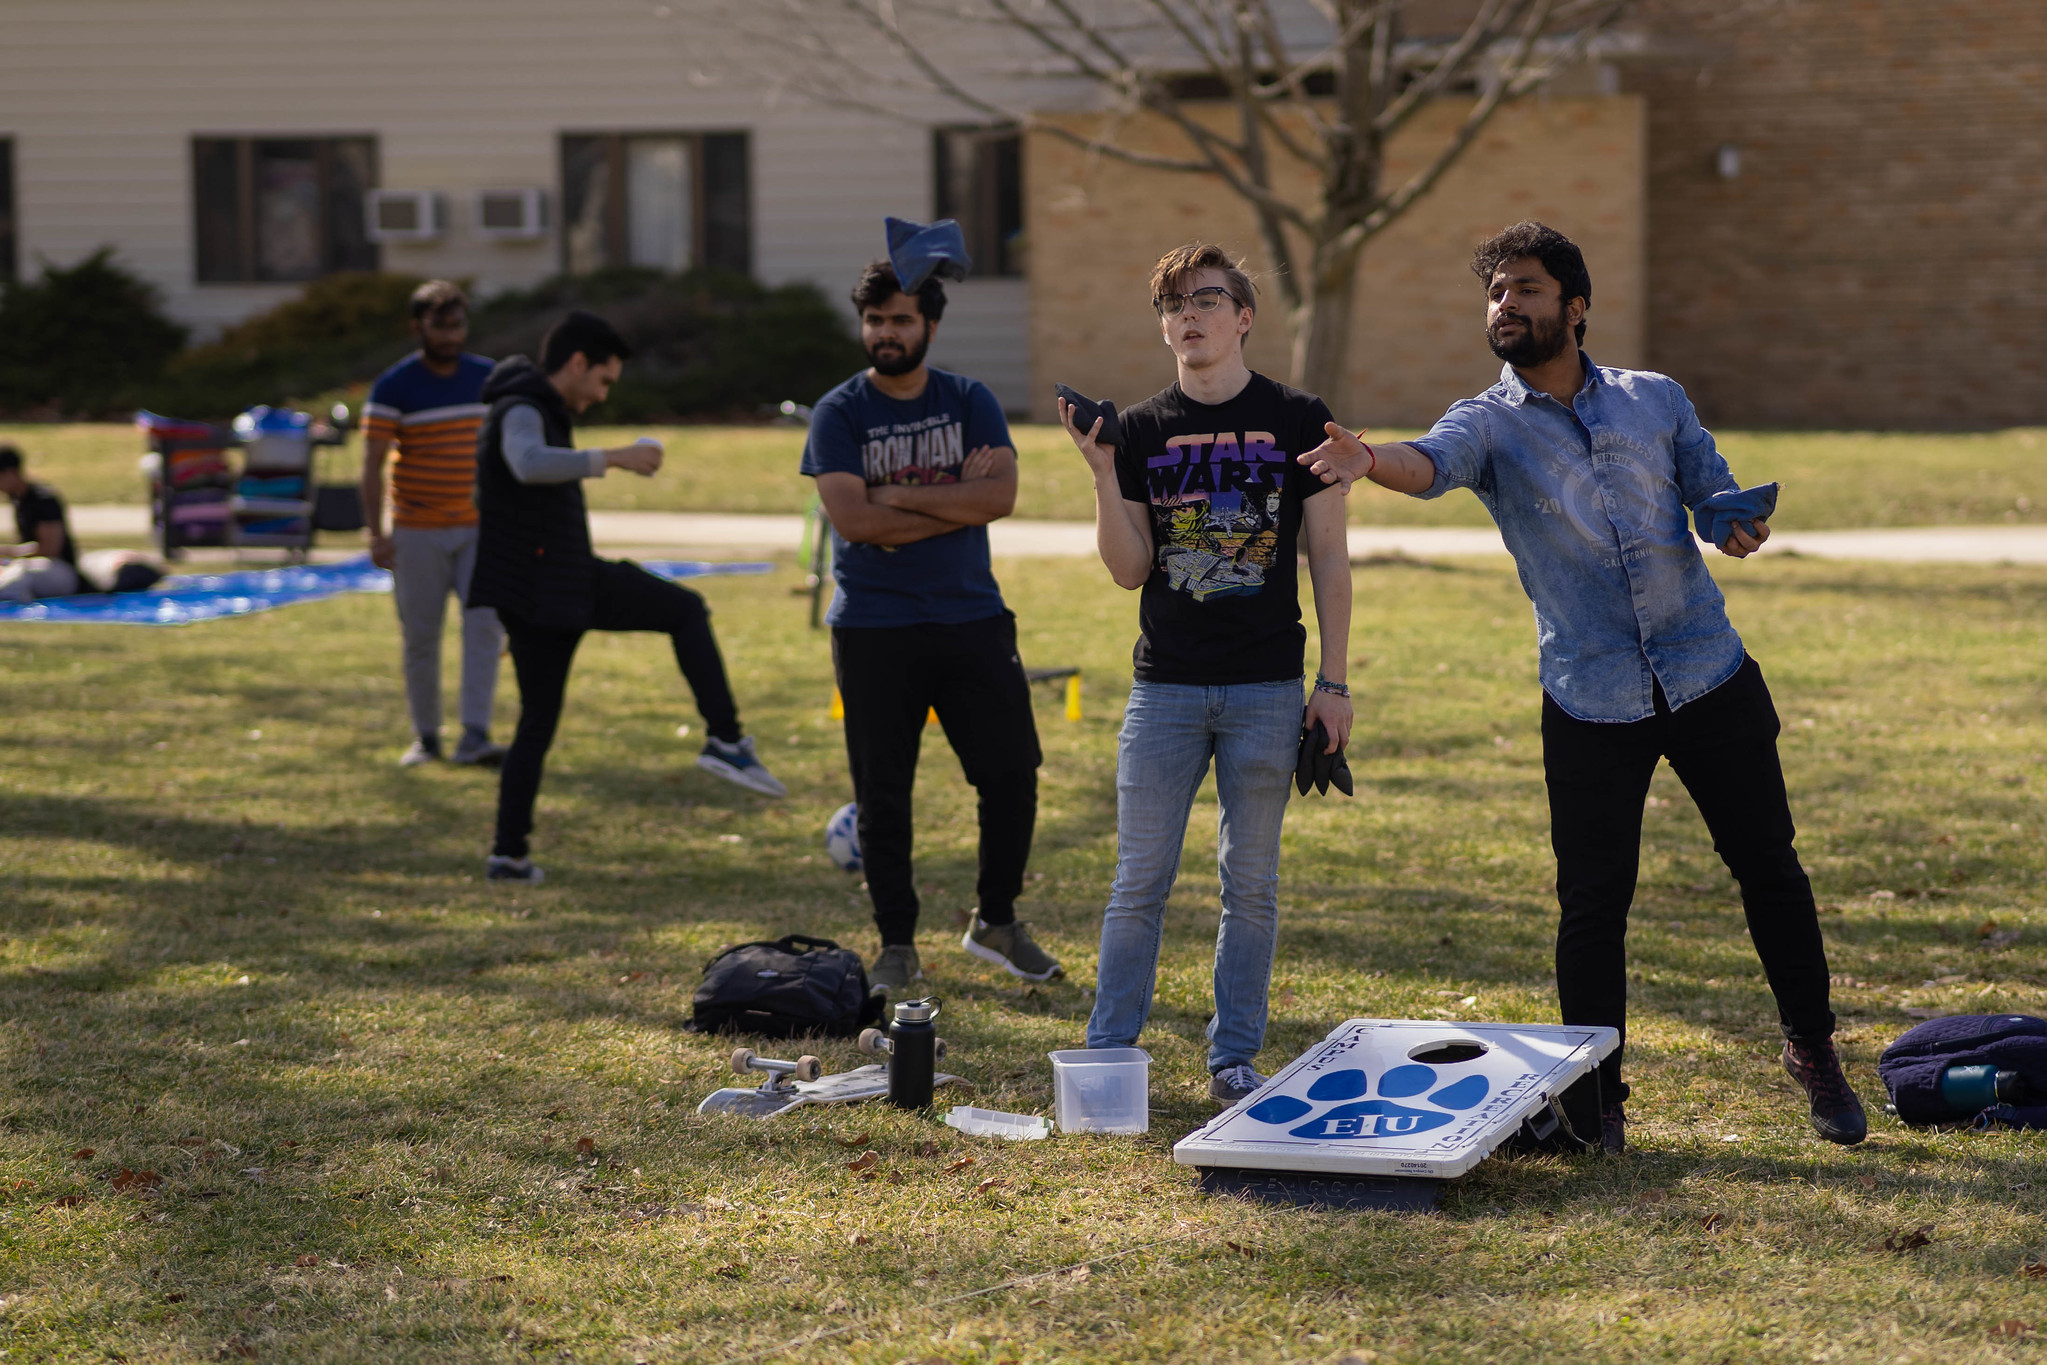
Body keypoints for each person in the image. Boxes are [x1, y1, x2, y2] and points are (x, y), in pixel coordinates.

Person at [1299, 220, 1865, 1150]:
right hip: (1587, 696)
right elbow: (1426, 461)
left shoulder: (1655, 399)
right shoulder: (1486, 422)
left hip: (1706, 671)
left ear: (1576, 306)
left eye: (1524, 289)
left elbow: (1709, 491)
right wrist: (1367, 458)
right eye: (1495, 293)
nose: (1505, 305)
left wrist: (1732, 522)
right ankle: (1598, 1101)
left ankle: (1812, 1049)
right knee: (1593, 903)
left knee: (1769, 869)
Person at [1061, 243, 1353, 1105]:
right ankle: (1109, 1050)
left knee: (1249, 884)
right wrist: (1104, 476)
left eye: (1208, 300)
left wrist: (1331, 683)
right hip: (1165, 689)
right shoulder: (1143, 429)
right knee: (1136, 880)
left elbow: (1329, 558)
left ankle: (1233, 1058)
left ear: (1244, 317)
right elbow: (1126, 569)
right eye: (1174, 304)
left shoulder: (1299, 417)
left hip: (1267, 686)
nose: (1189, 316)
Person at [801, 259, 1057, 994]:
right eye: (875, 320)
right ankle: (896, 944)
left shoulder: (968, 399)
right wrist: (952, 493)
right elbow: (849, 517)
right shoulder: (839, 411)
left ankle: (998, 919)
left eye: (901, 320)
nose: (886, 333)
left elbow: (1000, 496)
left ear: (930, 326)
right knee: (884, 791)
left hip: (971, 616)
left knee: (1010, 773)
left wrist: (893, 493)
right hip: (874, 627)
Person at [467, 309, 785, 884]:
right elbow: (526, 463)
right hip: (554, 586)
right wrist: (614, 457)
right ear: (579, 363)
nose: (604, 396)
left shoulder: (532, 404)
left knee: (536, 722)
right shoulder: (520, 406)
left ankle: (507, 855)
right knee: (685, 610)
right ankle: (726, 740)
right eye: (605, 380)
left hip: (548, 586)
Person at [361, 281, 507, 768]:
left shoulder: (489, 378)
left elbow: (511, 451)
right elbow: (372, 463)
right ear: (417, 327)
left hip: (479, 528)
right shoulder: (395, 386)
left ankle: (475, 735)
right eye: (439, 327)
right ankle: (426, 737)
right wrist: (376, 534)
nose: (450, 336)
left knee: (484, 627)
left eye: (458, 325)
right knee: (421, 635)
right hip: (417, 530)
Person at [0, 444, 81, 602]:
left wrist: (7, 551)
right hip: (33, 566)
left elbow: (50, 549)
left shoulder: (43, 499)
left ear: (10, 473)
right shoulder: (18, 499)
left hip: (61, 570)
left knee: (22, 572)